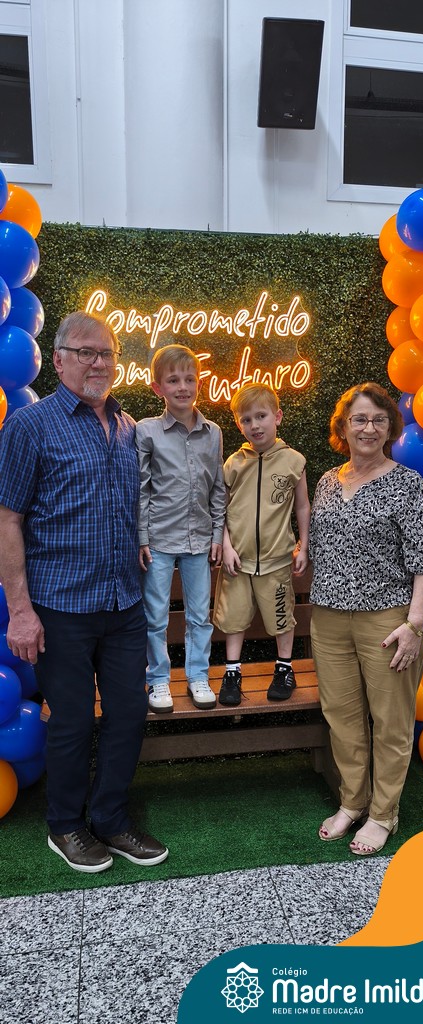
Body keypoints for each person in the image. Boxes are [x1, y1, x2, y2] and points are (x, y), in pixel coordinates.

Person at [0, 311, 169, 874]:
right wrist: (20, 611)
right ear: (59, 359)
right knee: (72, 722)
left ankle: (112, 819)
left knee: (128, 714)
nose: (98, 363)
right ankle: (66, 826)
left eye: (107, 353)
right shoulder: (30, 426)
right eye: (85, 352)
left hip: (123, 604)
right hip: (60, 608)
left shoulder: (126, 427)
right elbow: (7, 520)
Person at [309, 382, 423, 856]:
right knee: (342, 717)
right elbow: (320, 543)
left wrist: (414, 625)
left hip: (388, 622)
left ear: (390, 428)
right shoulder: (328, 481)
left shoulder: (407, 484)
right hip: (329, 618)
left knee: (390, 721)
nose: (368, 428)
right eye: (359, 419)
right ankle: (353, 802)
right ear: (343, 427)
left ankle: (383, 813)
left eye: (378, 420)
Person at [136, 343, 226, 713]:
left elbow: (217, 488)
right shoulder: (147, 432)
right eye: (173, 380)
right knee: (155, 615)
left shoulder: (213, 432)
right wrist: (142, 537)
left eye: (189, 379)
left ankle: (197, 676)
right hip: (158, 539)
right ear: (158, 387)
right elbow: (141, 489)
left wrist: (218, 534)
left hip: (199, 540)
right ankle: (158, 679)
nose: (183, 387)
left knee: (199, 615)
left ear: (199, 383)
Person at [213, 382, 310, 706]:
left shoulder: (294, 461)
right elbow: (220, 510)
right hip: (237, 562)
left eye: (261, 416)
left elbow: (302, 506)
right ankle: (232, 672)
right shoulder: (233, 463)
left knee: (281, 617)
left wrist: (304, 544)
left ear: (277, 417)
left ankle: (284, 668)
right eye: (246, 419)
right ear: (239, 424)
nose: (254, 425)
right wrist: (226, 546)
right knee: (234, 618)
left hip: (276, 561)